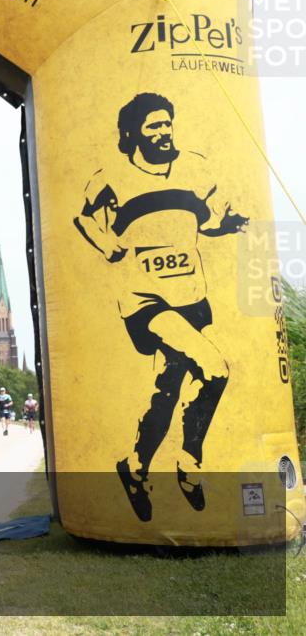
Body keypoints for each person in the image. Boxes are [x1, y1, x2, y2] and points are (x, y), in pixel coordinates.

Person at [74, 93, 245, 522]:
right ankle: (190, 463)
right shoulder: (112, 175)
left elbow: (205, 222)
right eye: (153, 126)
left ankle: (133, 468)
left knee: (166, 394)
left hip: (192, 295)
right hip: (145, 300)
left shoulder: (195, 168)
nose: (163, 131)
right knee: (216, 368)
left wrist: (227, 224)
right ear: (132, 133)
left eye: (167, 123)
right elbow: (85, 217)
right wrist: (106, 243)